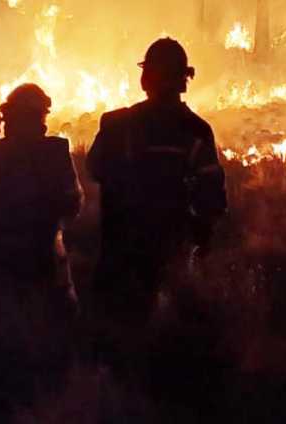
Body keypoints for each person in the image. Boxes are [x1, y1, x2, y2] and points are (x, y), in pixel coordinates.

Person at [86, 38, 227, 326]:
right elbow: (211, 199)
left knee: (114, 335)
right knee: (166, 334)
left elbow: (94, 169)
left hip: (117, 253)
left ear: (145, 78)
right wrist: (201, 243)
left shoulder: (116, 125)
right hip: (170, 254)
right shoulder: (196, 130)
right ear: (183, 80)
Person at [0, 84, 82, 363]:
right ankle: (54, 388)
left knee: (4, 330)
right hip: (47, 255)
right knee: (57, 329)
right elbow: (73, 204)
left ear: (8, 117)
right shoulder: (57, 151)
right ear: (42, 116)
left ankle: (6, 382)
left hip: (3, 255)